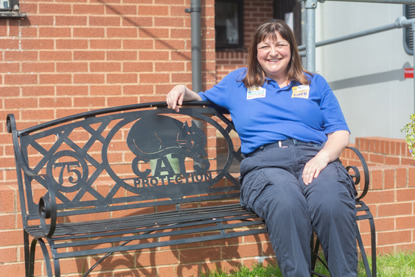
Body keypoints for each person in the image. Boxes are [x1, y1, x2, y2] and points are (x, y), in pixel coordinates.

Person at [166, 19, 357, 277]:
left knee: (332, 202)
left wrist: (323, 158)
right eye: (265, 46)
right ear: (255, 53)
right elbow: (202, 98)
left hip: (314, 158)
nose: (273, 51)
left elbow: (340, 132)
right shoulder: (239, 82)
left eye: (280, 44)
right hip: (266, 164)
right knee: (286, 203)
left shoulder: (315, 83)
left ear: (291, 49)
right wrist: (182, 89)